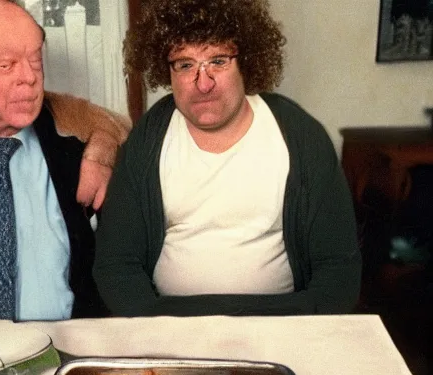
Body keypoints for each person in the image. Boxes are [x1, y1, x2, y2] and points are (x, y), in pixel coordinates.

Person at [93, 0, 362, 317]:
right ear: (167, 71)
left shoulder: (300, 136)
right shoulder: (149, 139)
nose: (203, 83)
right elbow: (115, 263)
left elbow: (338, 268)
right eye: (185, 65)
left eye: (218, 62)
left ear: (245, 62)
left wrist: (301, 323)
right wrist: (154, 325)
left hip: (282, 323)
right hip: (169, 325)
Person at [0, 0, 128, 328]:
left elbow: (127, 135)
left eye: (35, 59)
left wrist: (102, 153)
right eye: (7, 65)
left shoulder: (69, 132)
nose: (30, 78)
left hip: (73, 350)